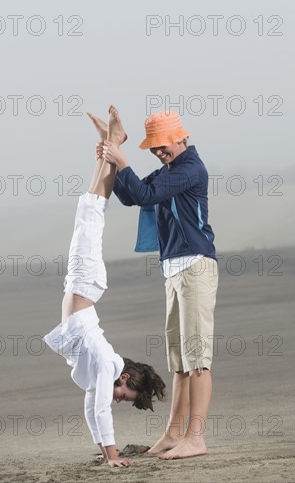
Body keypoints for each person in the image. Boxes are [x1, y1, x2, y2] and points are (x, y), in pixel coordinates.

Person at [42, 106, 166, 468]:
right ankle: (113, 144)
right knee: (90, 214)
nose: (119, 399)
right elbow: (100, 409)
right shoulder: (105, 364)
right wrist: (113, 457)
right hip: (86, 281)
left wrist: (101, 449)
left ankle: (108, 144)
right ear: (125, 377)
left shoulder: (102, 375)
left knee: (88, 210)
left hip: (83, 285)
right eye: (126, 395)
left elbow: (90, 407)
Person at [100, 110, 219, 460]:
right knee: (180, 362)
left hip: (196, 265)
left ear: (180, 138)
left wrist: (120, 157)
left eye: (161, 145)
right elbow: (133, 195)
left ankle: (196, 439)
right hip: (174, 269)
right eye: (153, 148)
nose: (157, 152)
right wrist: (112, 155)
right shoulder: (170, 171)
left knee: (198, 360)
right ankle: (172, 435)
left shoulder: (189, 170)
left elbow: (147, 195)